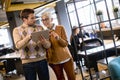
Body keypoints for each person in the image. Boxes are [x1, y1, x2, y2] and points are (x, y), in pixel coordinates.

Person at [12, 8, 51, 80]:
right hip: (28, 64)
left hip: (42, 61)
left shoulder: (40, 27)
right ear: (24, 19)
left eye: (35, 17)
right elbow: (18, 46)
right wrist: (29, 37)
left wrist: (45, 43)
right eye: (32, 18)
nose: (35, 19)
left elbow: (48, 45)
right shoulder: (16, 30)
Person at [41, 12, 76, 80]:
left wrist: (58, 38)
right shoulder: (44, 33)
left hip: (66, 58)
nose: (44, 21)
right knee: (60, 78)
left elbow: (65, 44)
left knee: (72, 78)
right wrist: (44, 43)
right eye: (43, 20)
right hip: (53, 60)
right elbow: (46, 48)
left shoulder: (60, 28)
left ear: (51, 19)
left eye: (46, 19)